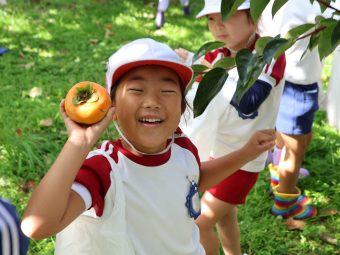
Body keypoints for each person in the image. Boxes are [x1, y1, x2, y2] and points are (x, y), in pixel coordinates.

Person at [20, 38, 275, 255]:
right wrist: (79, 144)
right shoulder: (105, 170)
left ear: (182, 108)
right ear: (112, 108)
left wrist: (246, 153)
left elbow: (193, 179)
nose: (152, 101)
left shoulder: (182, 146)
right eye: (137, 90)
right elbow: (37, 226)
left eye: (167, 91)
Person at [177, 0, 287, 254]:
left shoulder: (268, 54)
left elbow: (248, 102)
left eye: (225, 16)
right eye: (211, 19)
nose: (217, 26)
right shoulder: (220, 54)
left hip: (244, 158)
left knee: (199, 224)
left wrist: (210, 72)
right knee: (225, 216)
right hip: (218, 150)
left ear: (253, 16)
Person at [259, 0, 340, 221]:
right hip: (298, 85)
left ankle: (279, 179)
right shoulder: (318, 5)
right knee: (295, 148)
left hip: (283, 78)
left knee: (290, 139)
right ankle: (285, 203)